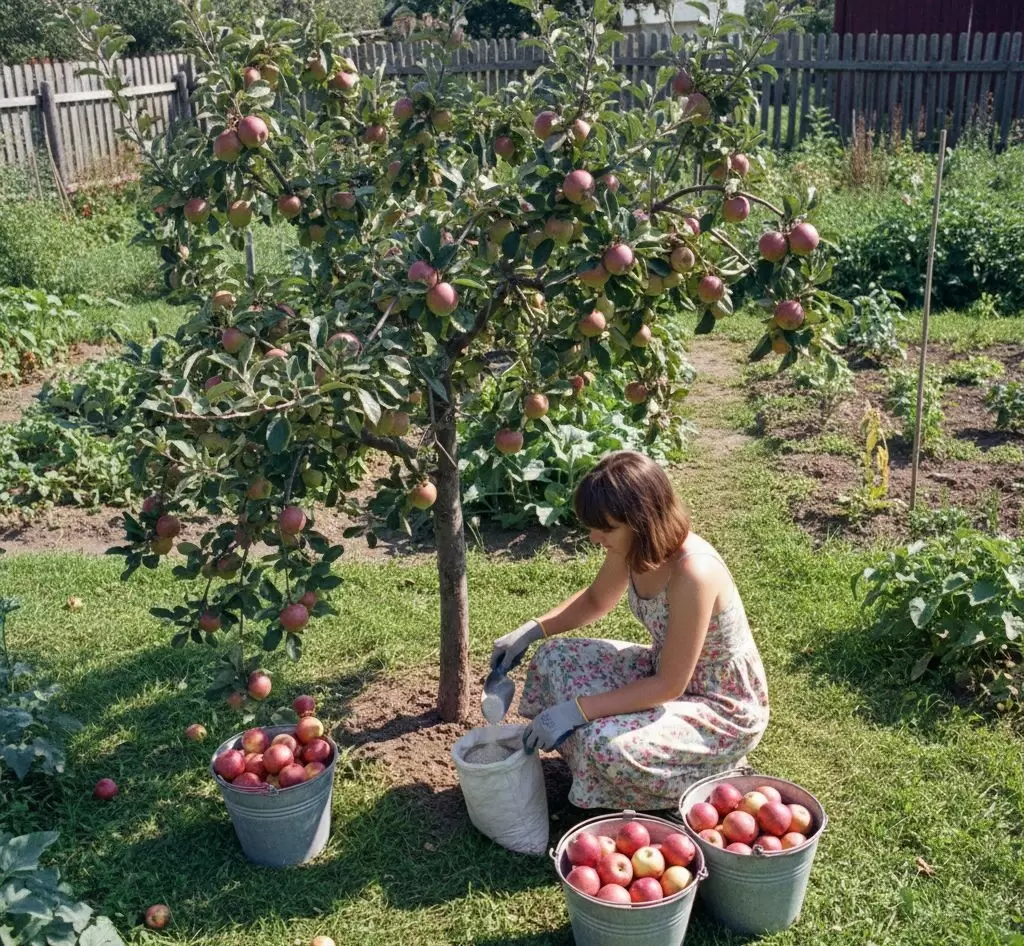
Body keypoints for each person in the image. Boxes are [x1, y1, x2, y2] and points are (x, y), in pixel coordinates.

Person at [489, 450, 769, 812]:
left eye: (605, 529)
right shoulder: (634, 546)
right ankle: (611, 765)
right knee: (553, 657)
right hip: (664, 672)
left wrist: (576, 711)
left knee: (605, 746)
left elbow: (670, 685)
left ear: (642, 521)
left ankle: (709, 776)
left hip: (719, 705)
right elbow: (595, 600)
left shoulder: (693, 574)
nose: (593, 538)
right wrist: (531, 631)